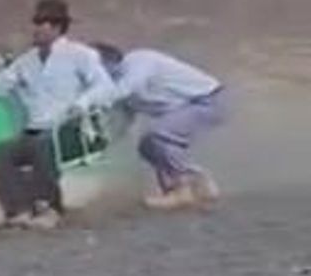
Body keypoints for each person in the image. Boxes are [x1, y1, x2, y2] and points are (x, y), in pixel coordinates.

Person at [0, 0, 114, 229]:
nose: (35, 28)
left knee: (43, 146)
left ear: (57, 27)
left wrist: (82, 103)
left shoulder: (80, 55)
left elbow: (104, 85)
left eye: (42, 23)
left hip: (65, 128)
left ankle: (50, 207)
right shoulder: (27, 61)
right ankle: (19, 208)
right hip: (34, 130)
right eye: (35, 22)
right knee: (0, 153)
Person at [92, 42, 226, 210]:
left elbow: (128, 87)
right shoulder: (118, 87)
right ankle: (196, 180)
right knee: (147, 146)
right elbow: (121, 123)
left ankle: (181, 191)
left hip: (207, 100)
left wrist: (90, 102)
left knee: (158, 135)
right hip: (185, 108)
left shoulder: (138, 60)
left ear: (107, 62)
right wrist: (101, 148)